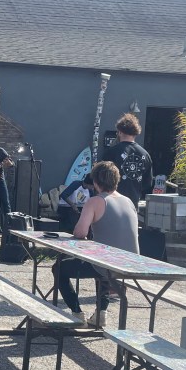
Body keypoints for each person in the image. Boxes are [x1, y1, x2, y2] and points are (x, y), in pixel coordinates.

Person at [52, 161, 139, 325]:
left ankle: (77, 313)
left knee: (59, 268)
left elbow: (80, 233)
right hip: (130, 263)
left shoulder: (95, 201)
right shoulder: (128, 201)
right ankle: (101, 313)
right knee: (102, 262)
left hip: (107, 264)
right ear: (116, 180)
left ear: (96, 182)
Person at [100, 113, 153, 205]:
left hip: (111, 203)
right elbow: (148, 183)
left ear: (119, 132)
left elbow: (101, 177)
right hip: (133, 203)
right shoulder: (145, 154)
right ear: (136, 133)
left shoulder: (111, 152)